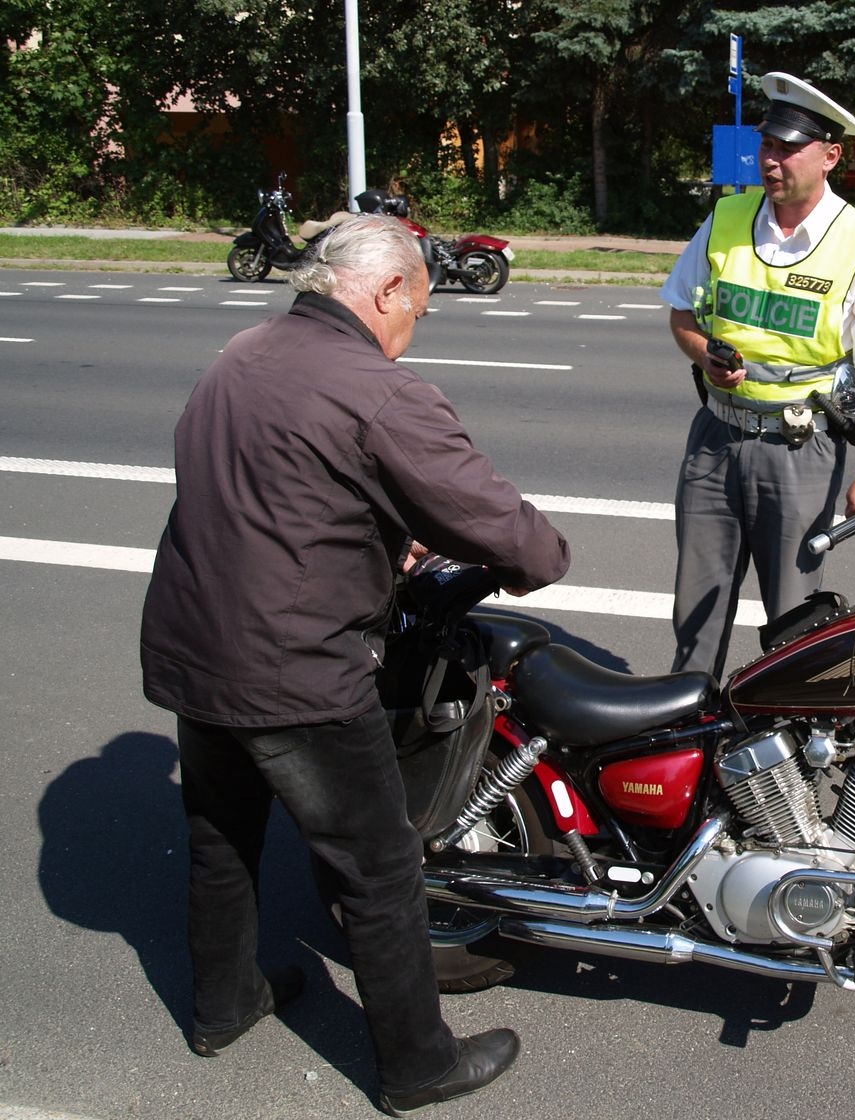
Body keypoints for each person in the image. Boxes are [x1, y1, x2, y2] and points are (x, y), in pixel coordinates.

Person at [140, 215, 571, 1116]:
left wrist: (383, 537)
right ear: (384, 290)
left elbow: (272, 486)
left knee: (222, 840)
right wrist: (540, 555)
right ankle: (418, 1066)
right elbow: (490, 518)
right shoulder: (377, 388)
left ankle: (224, 1006)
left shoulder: (241, 351)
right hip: (294, 667)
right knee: (377, 867)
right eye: (417, 305)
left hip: (195, 644)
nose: (415, 324)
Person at [662, 71, 855, 679]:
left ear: (829, 156)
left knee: (795, 622)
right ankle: (685, 739)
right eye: (766, 145)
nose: (769, 160)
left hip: (799, 450)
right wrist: (705, 354)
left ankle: (787, 755)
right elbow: (680, 315)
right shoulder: (726, 218)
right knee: (695, 613)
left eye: (786, 148)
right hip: (716, 441)